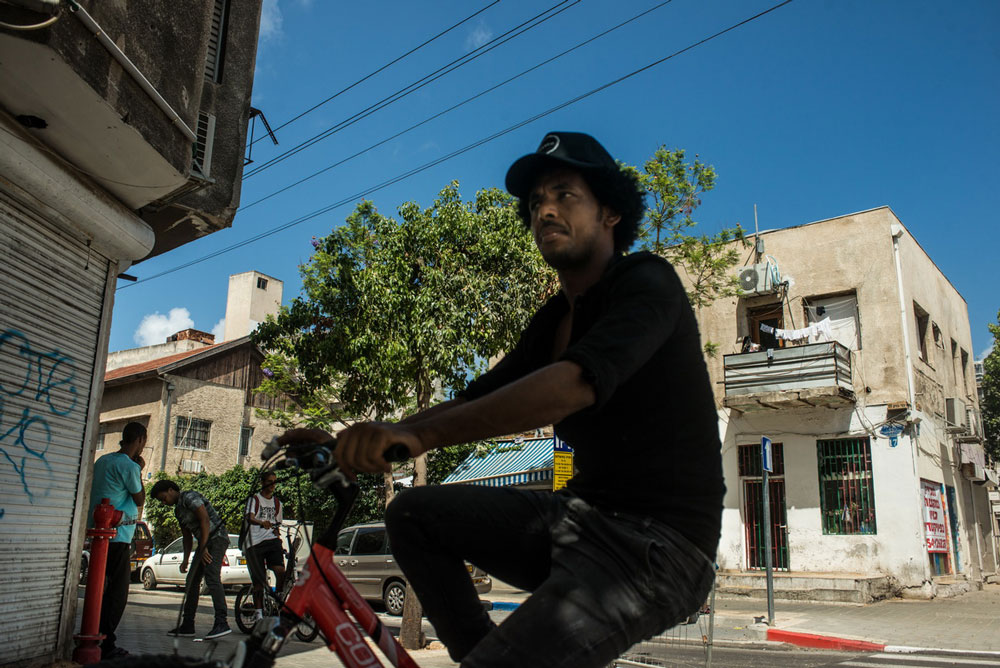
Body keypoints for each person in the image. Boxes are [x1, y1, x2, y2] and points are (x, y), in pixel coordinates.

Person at [279, 131, 725, 668]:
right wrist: (361, 440)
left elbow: (573, 384)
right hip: (579, 520)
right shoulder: (554, 321)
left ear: (610, 211)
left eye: (564, 195)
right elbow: (478, 396)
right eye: (536, 202)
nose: (545, 210)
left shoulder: (646, 281)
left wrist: (416, 436)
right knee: (414, 513)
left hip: (658, 547)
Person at [88, 421, 146, 660]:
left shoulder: (102, 461)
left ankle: (95, 635)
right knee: (117, 593)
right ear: (140, 440)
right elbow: (140, 498)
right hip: (118, 535)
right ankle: (106, 642)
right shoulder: (128, 466)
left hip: (98, 534)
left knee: (100, 589)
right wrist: (139, 469)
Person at [150, 480, 231, 639]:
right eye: (161, 500)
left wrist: (203, 547)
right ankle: (188, 624)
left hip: (217, 538)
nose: (164, 502)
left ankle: (222, 622)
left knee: (212, 577)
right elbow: (187, 537)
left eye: (164, 497)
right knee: (192, 580)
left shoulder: (189, 497)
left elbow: (205, 520)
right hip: (204, 544)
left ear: (171, 490)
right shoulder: (178, 511)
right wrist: (186, 560)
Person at [243, 471, 285, 622]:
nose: (272, 485)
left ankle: (279, 598)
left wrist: (280, 535)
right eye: (269, 481)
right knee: (259, 582)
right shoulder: (254, 500)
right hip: (254, 544)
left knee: (281, 571)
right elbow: (250, 517)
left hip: (271, 541)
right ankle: (259, 613)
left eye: (274, 481)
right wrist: (262, 523)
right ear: (262, 483)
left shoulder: (277, 503)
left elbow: (277, 524)